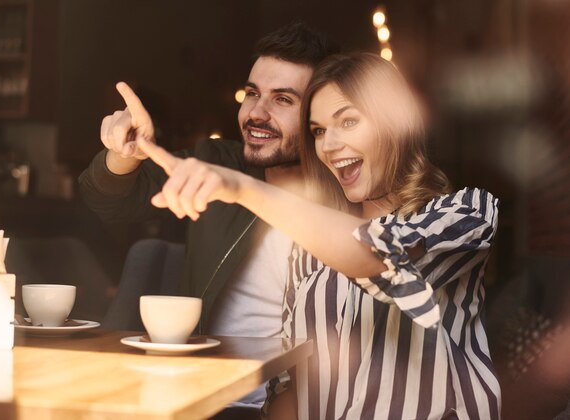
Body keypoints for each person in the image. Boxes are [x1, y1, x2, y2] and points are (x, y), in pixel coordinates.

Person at [135, 52, 502, 419]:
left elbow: (378, 256)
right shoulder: (306, 247)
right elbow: (290, 387)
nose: (328, 145)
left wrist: (239, 187)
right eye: (319, 131)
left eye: (348, 121)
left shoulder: (468, 212)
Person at [78, 22, 338, 413]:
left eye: (283, 99)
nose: (256, 113)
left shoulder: (349, 196)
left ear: (320, 115)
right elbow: (111, 201)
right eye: (252, 94)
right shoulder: (216, 163)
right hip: (206, 402)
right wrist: (124, 155)